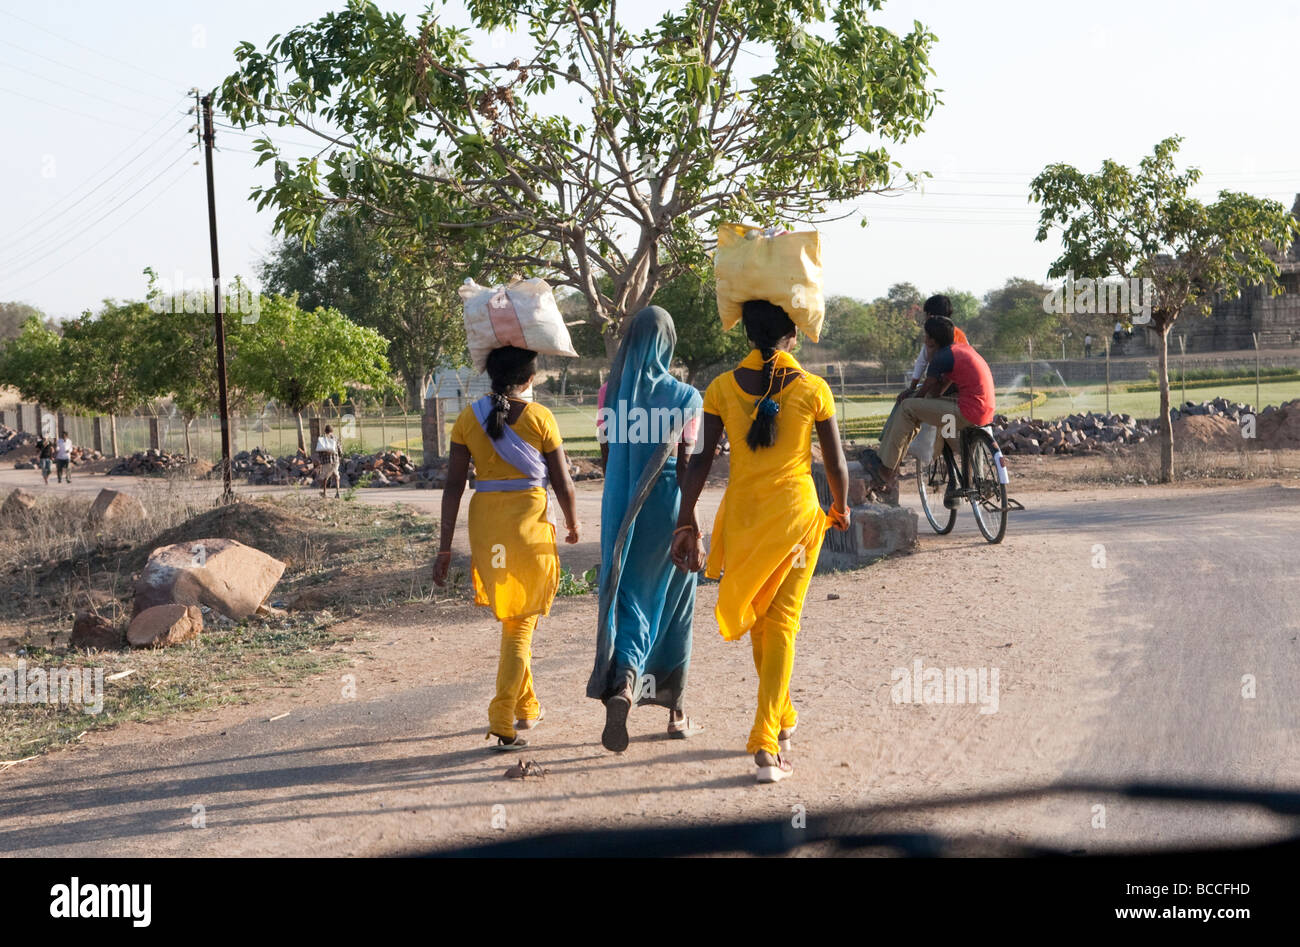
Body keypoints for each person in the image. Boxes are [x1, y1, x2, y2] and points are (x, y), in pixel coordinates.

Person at [672, 299, 851, 784]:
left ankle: (782, 718)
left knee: (762, 622)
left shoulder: (720, 389)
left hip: (745, 521)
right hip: (795, 519)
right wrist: (840, 506)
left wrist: (686, 518)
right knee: (782, 622)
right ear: (792, 335)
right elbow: (834, 463)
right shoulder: (814, 389)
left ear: (748, 334)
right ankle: (766, 740)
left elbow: (700, 463)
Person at [432, 346, 581, 750]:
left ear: (489, 376)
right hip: (528, 531)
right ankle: (502, 714)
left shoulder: (467, 418)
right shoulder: (540, 417)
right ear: (530, 380)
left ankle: (527, 706)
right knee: (522, 621)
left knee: (517, 618)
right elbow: (563, 483)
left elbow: (452, 487)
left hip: (488, 530)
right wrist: (571, 522)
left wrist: (445, 548)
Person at [588, 306, 704, 752]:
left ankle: (622, 684)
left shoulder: (607, 394)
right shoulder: (686, 396)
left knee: (627, 597)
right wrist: (689, 523)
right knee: (674, 602)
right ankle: (674, 712)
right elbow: (688, 461)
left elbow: (606, 457)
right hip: (669, 506)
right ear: (667, 343)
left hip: (620, 504)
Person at [862, 316, 996, 498]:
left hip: (967, 411)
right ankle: (967, 476)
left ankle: (886, 468)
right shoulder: (961, 350)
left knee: (907, 407)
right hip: (983, 410)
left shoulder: (940, 357)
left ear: (931, 340)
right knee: (922, 407)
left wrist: (909, 395)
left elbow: (922, 394)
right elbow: (939, 391)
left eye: (926, 337)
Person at [314, 425, 340, 498]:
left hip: (326, 461)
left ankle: (325, 493)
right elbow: (339, 449)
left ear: (325, 431)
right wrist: (340, 455)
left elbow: (319, 451)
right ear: (332, 431)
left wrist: (322, 456)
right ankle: (337, 492)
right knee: (336, 475)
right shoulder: (335, 438)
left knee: (326, 477)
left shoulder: (322, 438)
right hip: (335, 460)